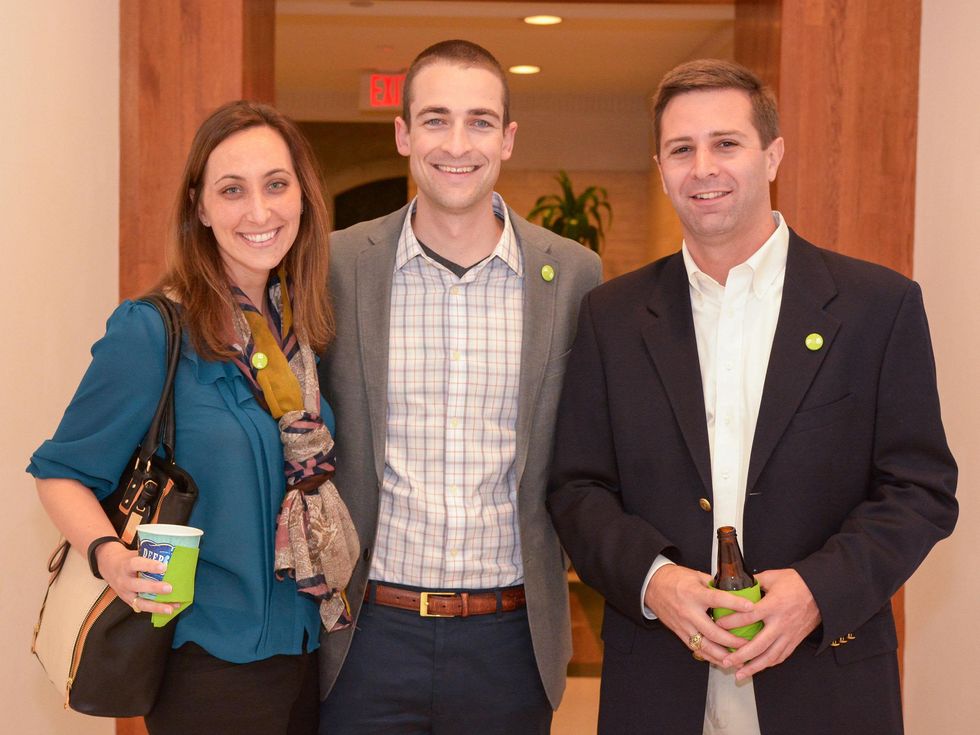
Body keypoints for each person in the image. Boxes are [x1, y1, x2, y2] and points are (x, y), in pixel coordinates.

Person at [547, 59, 958, 735]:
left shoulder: (877, 307)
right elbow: (576, 488)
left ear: (773, 153)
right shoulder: (611, 318)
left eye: (726, 143)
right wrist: (654, 578)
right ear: (660, 166)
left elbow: (920, 488)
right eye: (681, 149)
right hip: (659, 683)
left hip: (824, 681)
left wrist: (818, 591)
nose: (702, 167)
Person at [28, 100, 357, 734]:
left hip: (306, 656)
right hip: (204, 663)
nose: (259, 212)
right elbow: (59, 471)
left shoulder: (301, 338)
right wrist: (108, 556)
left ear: (303, 198)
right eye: (232, 190)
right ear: (200, 208)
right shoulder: (153, 331)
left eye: (276, 185)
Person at [317, 39, 602, 734]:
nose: (457, 143)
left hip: (510, 639)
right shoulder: (337, 264)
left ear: (506, 139)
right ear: (403, 133)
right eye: (436, 119)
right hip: (366, 636)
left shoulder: (572, 275)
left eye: (479, 121)